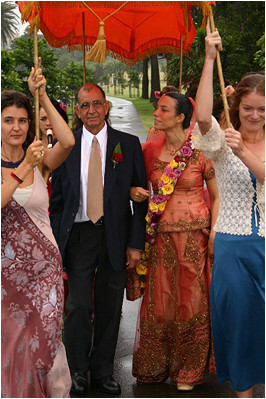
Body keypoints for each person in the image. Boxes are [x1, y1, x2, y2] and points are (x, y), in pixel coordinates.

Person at [49, 83, 147, 395]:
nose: (91, 110)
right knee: (77, 305)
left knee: (109, 304)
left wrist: (135, 244)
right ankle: (77, 370)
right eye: (85, 105)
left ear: (106, 107)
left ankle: (103, 370)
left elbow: (140, 198)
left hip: (115, 234)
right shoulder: (66, 146)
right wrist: (54, 241)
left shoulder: (128, 144)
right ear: (77, 111)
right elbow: (58, 202)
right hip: (78, 235)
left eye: (97, 104)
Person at [193, 25, 265, 398]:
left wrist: (244, 153)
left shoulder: (242, 146)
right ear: (237, 107)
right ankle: (243, 393)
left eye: (261, 109)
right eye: (248, 108)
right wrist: (208, 59)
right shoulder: (222, 140)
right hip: (234, 246)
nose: (254, 116)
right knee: (239, 322)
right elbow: (203, 117)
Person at [131, 91, 219, 390]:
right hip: (161, 239)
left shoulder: (201, 150)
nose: (156, 113)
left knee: (191, 301)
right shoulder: (150, 152)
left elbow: (217, 196)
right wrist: (134, 192)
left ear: (180, 117)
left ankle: (189, 370)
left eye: (163, 109)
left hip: (195, 238)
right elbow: (135, 185)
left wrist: (216, 229)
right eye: (156, 108)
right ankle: (156, 364)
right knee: (161, 302)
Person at [1, 63, 75, 398]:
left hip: (44, 271)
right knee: (14, 347)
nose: (16, 127)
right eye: (8, 120)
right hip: (6, 278)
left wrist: (42, 96)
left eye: (22, 120)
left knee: (46, 341)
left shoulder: (40, 157)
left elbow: (69, 140)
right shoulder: (29, 162)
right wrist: (23, 169)